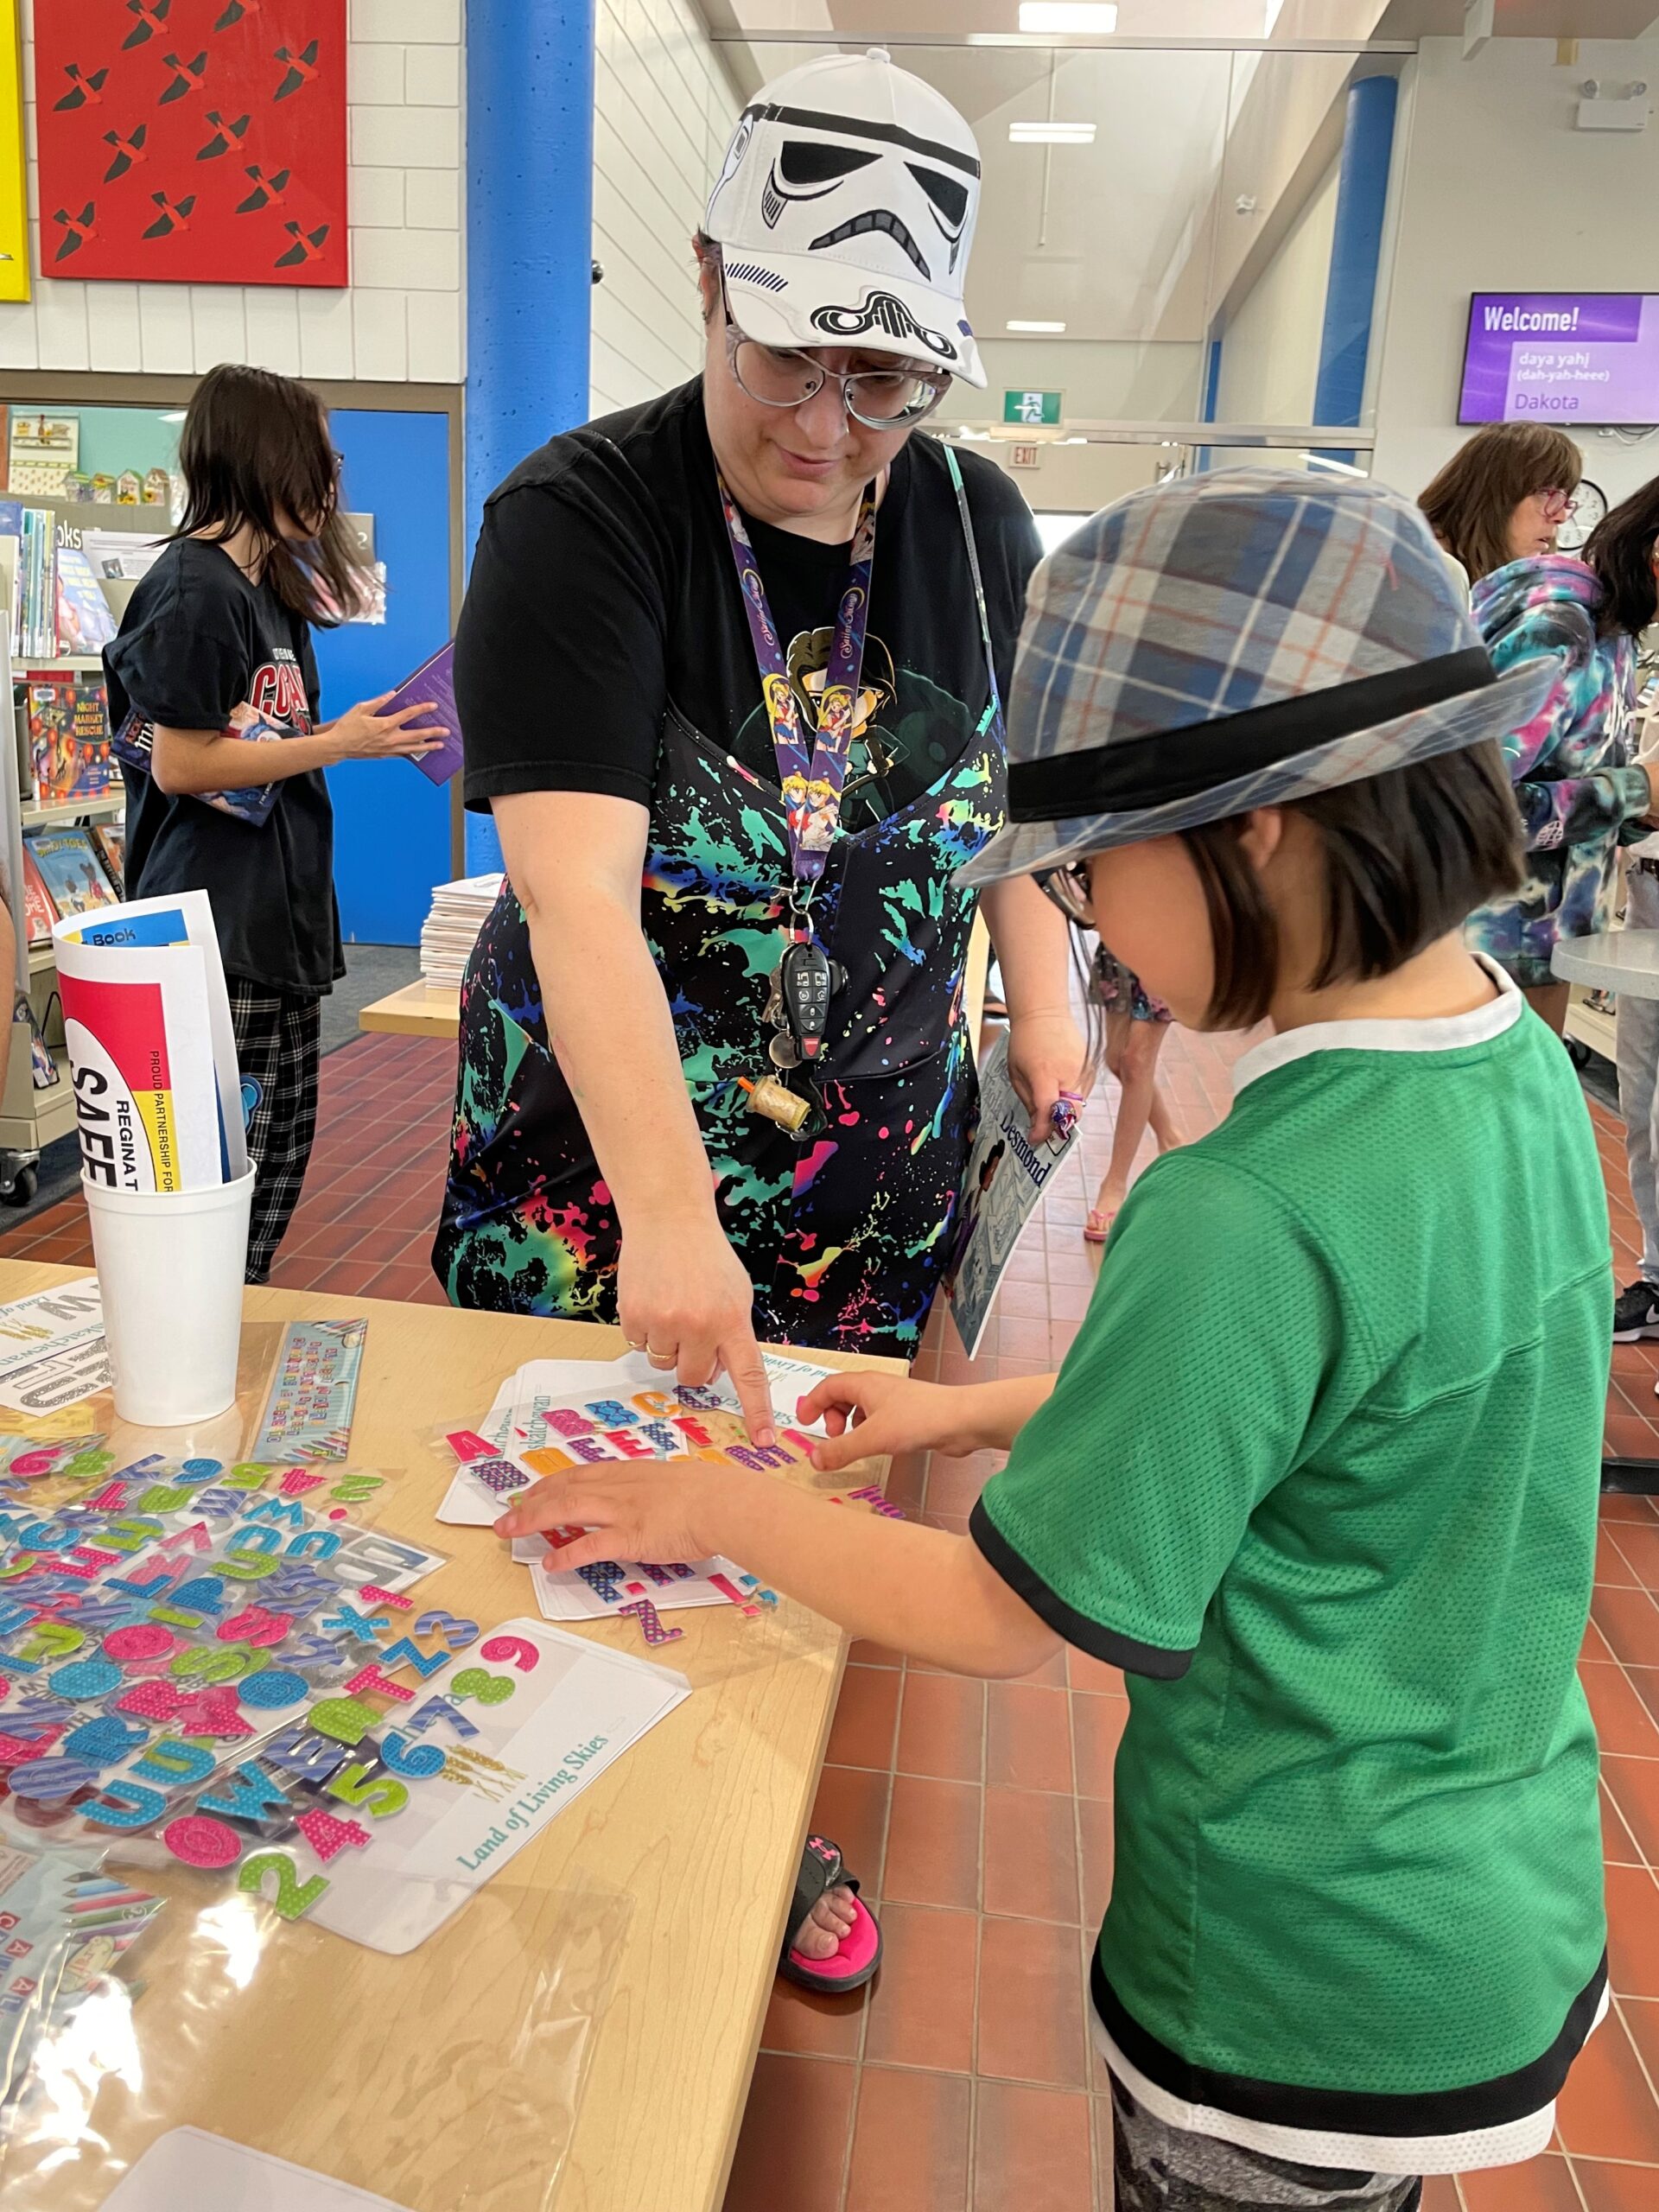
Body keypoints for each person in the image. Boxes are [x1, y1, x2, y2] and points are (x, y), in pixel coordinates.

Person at [496, 472, 1609, 2210]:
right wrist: (968, 1410)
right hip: (1484, 1908)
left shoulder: (1243, 1205)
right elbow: (1324, 1411)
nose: (1091, 931)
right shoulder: (1517, 1072)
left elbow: (995, 1614)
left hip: (1281, 1973)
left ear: (1253, 829)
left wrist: (714, 1504)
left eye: (1088, 876)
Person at [437, 48, 1079, 1404]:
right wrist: (673, 1215)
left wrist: (1048, 1008)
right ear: (709, 277)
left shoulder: (977, 527)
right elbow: (574, 897)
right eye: (787, 357)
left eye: (884, 379)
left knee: (818, 1521)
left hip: (874, 1185)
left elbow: (1007, 801)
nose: (826, 426)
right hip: (606, 1188)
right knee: (583, 1508)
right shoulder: (583, 520)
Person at [104, 363, 442, 1281]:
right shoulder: (194, 589)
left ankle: (231, 1326)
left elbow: (263, 741)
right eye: (317, 456)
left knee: (271, 1168)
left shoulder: (266, 590)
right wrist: (337, 745)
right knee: (223, 1186)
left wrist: (347, 735)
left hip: (273, 926)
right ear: (260, 455)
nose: (332, 479)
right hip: (219, 933)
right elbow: (182, 763)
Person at [1460, 475, 1657, 1033]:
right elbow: (1469, 805)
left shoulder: (1615, 633)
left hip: (1542, 945)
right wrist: (1636, 790)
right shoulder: (1561, 629)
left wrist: (1638, 810)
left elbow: (1570, 782)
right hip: (1487, 952)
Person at [1083, 943, 1179, 1243]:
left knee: (1136, 1061)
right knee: (1116, 1060)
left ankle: (1115, 1183)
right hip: (1122, 935)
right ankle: (1171, 1140)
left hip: (1170, 937)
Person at [1418, 422, 1584, 585]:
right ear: (1492, 492)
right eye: (1545, 493)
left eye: (1564, 499)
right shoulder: (1428, 568)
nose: (1561, 516)